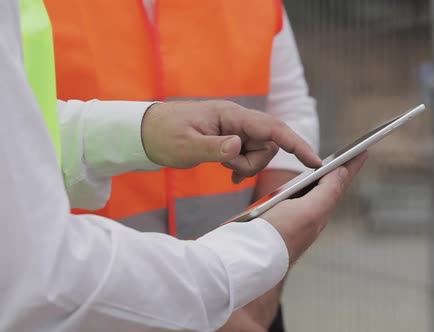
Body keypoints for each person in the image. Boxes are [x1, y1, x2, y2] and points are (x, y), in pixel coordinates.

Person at [0, 1, 367, 331]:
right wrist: (229, 277)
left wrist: (256, 298)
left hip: (238, 297)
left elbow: (291, 112)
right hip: (98, 310)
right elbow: (36, 271)